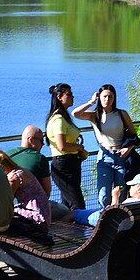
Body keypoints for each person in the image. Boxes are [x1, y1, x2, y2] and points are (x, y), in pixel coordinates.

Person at [73, 83, 140, 209]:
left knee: (121, 193)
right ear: (99, 97)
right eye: (104, 97)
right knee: (103, 195)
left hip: (121, 157)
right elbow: (75, 113)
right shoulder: (95, 115)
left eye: (110, 97)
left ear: (114, 98)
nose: (107, 100)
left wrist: (128, 149)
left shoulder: (121, 114)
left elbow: (134, 136)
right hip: (104, 157)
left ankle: (121, 221)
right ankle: (104, 219)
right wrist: (91, 102)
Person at [8, 126, 73, 222]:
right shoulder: (39, 158)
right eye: (41, 141)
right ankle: (55, 234)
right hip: (32, 209)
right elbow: (47, 193)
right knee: (66, 212)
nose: (43, 144)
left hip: (9, 206)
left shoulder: (7, 155)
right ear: (31, 140)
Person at [46, 83, 89, 213]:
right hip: (64, 165)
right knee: (77, 204)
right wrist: (79, 147)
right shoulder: (58, 119)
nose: (73, 97)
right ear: (59, 97)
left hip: (70, 163)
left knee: (67, 203)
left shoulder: (63, 117)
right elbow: (62, 146)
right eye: (69, 94)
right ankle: (83, 231)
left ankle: (69, 230)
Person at [0, 148, 51, 228]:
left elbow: (6, 201)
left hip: (37, 218)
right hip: (43, 213)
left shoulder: (14, 178)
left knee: (0, 216)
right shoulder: (21, 170)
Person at [73, 171, 140, 226]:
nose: (130, 188)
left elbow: (113, 215)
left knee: (73, 213)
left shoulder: (132, 203)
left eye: (132, 185)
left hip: (104, 219)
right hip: (106, 213)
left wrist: (115, 196)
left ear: (139, 189)